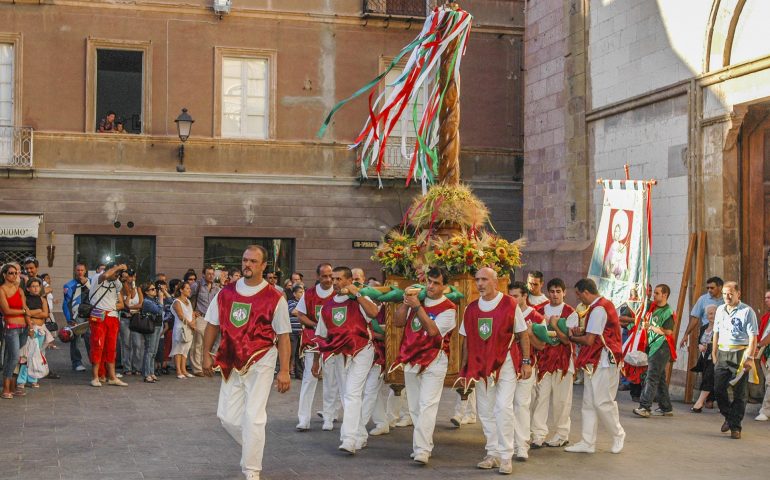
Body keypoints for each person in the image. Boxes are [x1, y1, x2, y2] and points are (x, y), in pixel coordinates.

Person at [201, 245, 291, 480]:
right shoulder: (226, 293)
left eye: (253, 261)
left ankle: (252, 469)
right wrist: (205, 353)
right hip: (230, 359)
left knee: (253, 416)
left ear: (263, 266)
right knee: (227, 417)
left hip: (261, 359)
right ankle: (252, 447)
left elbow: (283, 336)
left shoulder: (275, 297)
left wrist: (284, 370)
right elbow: (212, 323)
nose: (247, 264)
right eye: (245, 260)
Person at [457, 267, 531, 475]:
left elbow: (522, 334)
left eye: (484, 279)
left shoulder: (509, 304)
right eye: (477, 280)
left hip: (505, 363)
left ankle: (506, 456)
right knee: (486, 411)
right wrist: (464, 370)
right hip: (481, 367)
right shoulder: (471, 308)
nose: (480, 283)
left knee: (503, 408)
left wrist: (526, 362)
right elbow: (466, 340)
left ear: (495, 282)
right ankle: (493, 453)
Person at [391, 267, 456, 465]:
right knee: (415, 406)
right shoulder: (416, 300)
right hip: (412, 359)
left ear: (445, 286)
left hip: (434, 362)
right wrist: (406, 301)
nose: (430, 286)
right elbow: (397, 322)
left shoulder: (449, 308)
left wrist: (418, 307)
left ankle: (422, 450)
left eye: (436, 283)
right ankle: (423, 444)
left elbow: (433, 330)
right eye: (429, 281)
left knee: (428, 405)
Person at [312, 266, 380, 454]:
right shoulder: (327, 307)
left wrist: (356, 294)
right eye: (333, 279)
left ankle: (348, 439)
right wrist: (317, 361)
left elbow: (374, 313)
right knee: (348, 396)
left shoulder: (359, 299)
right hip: (340, 355)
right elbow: (322, 336)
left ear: (349, 281)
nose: (335, 283)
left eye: (339, 279)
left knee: (351, 393)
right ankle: (360, 435)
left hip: (362, 351)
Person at [565, 278, 625, 454]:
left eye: (578, 294)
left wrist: (571, 337)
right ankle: (587, 441)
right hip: (596, 360)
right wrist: (581, 332)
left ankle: (618, 434)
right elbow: (595, 334)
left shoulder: (598, 309)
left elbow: (589, 340)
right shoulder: (602, 305)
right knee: (589, 402)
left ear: (585, 292)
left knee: (602, 402)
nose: (578, 299)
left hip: (604, 360)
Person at [531, 278, 578, 449]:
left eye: (558, 291)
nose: (555, 295)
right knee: (540, 399)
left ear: (564, 292)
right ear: (547, 292)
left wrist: (554, 325)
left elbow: (567, 340)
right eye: (552, 291)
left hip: (563, 362)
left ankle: (561, 434)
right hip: (542, 362)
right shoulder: (538, 311)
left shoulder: (571, 312)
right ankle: (537, 434)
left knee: (562, 401)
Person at [712, 281, 758, 439]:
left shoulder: (747, 311)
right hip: (722, 352)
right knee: (718, 389)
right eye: (724, 293)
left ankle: (735, 427)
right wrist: (713, 352)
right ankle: (730, 417)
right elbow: (716, 332)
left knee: (740, 393)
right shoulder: (720, 310)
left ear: (739, 294)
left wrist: (750, 357)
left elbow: (753, 337)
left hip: (740, 353)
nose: (727, 296)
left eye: (730, 293)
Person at [294, 263, 335, 431]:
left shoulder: (338, 293)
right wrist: (316, 325)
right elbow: (300, 315)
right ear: (318, 276)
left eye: (330, 276)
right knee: (309, 379)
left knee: (331, 381)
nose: (328, 279)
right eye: (324, 276)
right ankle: (303, 418)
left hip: (333, 342)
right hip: (313, 340)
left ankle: (329, 416)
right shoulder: (309, 294)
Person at [507, 281, 545, 461]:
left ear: (524, 297)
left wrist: (529, 334)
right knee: (505, 406)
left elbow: (542, 345)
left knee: (521, 404)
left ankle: (521, 445)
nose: (513, 300)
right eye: (510, 296)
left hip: (526, 366)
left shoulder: (536, 316)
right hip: (506, 366)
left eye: (516, 296)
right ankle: (506, 443)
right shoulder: (505, 312)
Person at [633, 284, 676, 418]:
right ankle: (666, 407)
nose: (654, 295)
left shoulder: (668, 312)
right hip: (652, 345)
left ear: (665, 295)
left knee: (651, 377)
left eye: (657, 293)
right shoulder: (652, 307)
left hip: (661, 347)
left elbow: (668, 332)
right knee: (660, 378)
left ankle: (645, 407)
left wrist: (650, 327)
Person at [88, 263, 128, 387]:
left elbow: (124, 291)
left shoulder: (116, 281)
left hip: (112, 317)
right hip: (99, 316)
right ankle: (95, 377)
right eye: (115, 273)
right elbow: (105, 275)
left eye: (118, 274)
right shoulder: (98, 277)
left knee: (111, 348)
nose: (116, 275)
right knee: (97, 345)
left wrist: (124, 276)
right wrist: (117, 267)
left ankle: (112, 376)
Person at [1, 264, 31, 399]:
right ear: (4, 275)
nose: (14, 275)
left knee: (13, 358)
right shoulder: (2, 290)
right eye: (11, 273)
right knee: (13, 358)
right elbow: (6, 311)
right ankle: (6, 388)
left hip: (24, 329)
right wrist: (23, 311)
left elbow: (26, 309)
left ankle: (11, 386)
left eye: (16, 273)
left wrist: (30, 326)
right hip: (11, 328)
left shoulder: (20, 290)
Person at [17, 278, 49, 389]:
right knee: (27, 356)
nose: (36, 288)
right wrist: (37, 312)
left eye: (37, 286)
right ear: (28, 288)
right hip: (30, 330)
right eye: (33, 286)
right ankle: (21, 380)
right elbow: (25, 313)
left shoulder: (42, 299)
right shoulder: (25, 299)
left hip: (41, 330)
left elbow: (45, 314)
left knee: (37, 355)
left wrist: (32, 314)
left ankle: (33, 379)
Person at [189, 266, 221, 377]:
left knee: (209, 344)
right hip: (201, 317)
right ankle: (197, 368)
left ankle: (205, 366)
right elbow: (186, 298)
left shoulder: (217, 288)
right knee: (198, 344)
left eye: (213, 274)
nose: (211, 276)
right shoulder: (196, 286)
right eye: (208, 274)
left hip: (212, 319)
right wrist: (192, 312)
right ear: (203, 274)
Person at [62, 263, 91, 371]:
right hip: (76, 315)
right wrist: (70, 319)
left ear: (85, 271)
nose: (80, 272)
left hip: (89, 315)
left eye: (82, 270)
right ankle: (76, 362)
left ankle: (94, 361)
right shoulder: (69, 285)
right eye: (78, 270)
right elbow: (66, 303)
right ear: (75, 271)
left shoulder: (91, 283)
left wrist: (87, 284)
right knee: (76, 339)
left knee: (90, 338)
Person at [691, 305, 717, 413]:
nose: (712, 316)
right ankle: (715, 401)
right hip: (704, 359)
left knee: (708, 379)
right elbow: (699, 342)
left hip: (715, 358)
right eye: (710, 314)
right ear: (707, 315)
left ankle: (699, 403)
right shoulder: (703, 328)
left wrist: (708, 347)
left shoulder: (719, 328)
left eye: (715, 313)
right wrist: (700, 346)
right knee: (709, 379)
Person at [119, 269, 144, 375]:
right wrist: (129, 293)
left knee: (138, 344)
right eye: (129, 276)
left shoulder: (138, 289)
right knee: (126, 344)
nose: (131, 278)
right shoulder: (120, 289)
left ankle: (137, 367)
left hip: (136, 319)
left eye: (133, 276)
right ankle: (127, 367)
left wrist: (131, 307)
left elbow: (141, 304)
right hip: (125, 319)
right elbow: (125, 304)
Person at [140, 282, 164, 383]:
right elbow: (159, 311)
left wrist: (162, 295)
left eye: (155, 289)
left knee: (153, 351)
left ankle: (151, 372)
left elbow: (170, 301)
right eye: (152, 289)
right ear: (146, 292)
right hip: (151, 327)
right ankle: (146, 374)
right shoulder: (147, 301)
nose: (155, 291)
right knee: (149, 351)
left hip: (157, 326)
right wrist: (161, 299)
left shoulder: (154, 300)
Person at [170, 282, 195, 379]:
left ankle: (184, 370)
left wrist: (193, 323)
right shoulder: (177, 302)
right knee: (178, 349)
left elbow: (192, 314)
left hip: (189, 328)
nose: (189, 290)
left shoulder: (188, 301)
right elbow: (180, 316)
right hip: (180, 328)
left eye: (189, 288)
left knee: (185, 350)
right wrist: (191, 324)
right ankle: (178, 371)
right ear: (181, 290)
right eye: (187, 288)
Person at [754, 290, 770, 421]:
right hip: (765, 354)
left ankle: (765, 410)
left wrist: (758, 345)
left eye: (769, 297)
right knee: (767, 383)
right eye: (765, 297)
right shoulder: (766, 316)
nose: (766, 300)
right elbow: (760, 334)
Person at [287, 284, 304, 379]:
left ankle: (299, 373)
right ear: (294, 294)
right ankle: (286, 371)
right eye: (300, 292)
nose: (302, 294)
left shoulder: (303, 303)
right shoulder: (291, 302)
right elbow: (293, 311)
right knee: (291, 353)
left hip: (301, 332)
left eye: (303, 292)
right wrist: (304, 312)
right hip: (292, 332)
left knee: (299, 354)